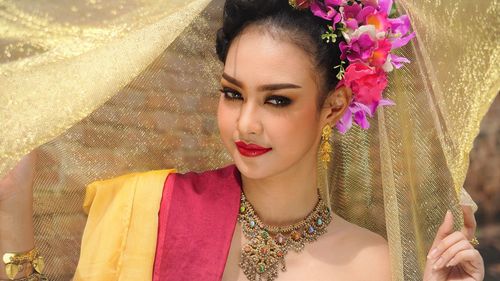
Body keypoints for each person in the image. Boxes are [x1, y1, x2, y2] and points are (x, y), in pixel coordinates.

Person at [0, 0, 489, 280]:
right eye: (233, 94)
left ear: (334, 106)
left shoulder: (367, 262)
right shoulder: (148, 209)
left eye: (277, 100)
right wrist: (11, 210)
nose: (245, 123)